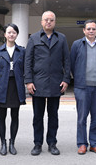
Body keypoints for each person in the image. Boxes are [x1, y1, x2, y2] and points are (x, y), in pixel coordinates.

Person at [25, 11, 71, 156]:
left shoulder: (61, 38)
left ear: (55, 22)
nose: (48, 22)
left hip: (56, 83)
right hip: (38, 83)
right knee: (37, 116)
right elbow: (28, 61)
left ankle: (52, 143)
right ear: (41, 22)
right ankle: (37, 144)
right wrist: (28, 81)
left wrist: (66, 79)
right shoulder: (34, 38)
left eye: (51, 20)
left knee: (53, 116)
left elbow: (66, 60)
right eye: (46, 20)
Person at [70, 20, 96, 155]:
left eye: (93, 29)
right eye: (88, 29)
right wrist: (78, 79)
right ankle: (82, 144)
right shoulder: (77, 44)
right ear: (84, 31)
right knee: (82, 117)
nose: (91, 31)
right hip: (82, 87)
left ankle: (95, 144)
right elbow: (72, 63)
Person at [0, 23, 26, 156]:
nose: (11, 34)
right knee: (2, 116)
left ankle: (12, 143)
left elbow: (24, 69)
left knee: (15, 116)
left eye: (14, 32)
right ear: (5, 34)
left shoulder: (22, 51)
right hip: (2, 86)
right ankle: (3, 143)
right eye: (9, 32)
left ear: (17, 35)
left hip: (16, 86)